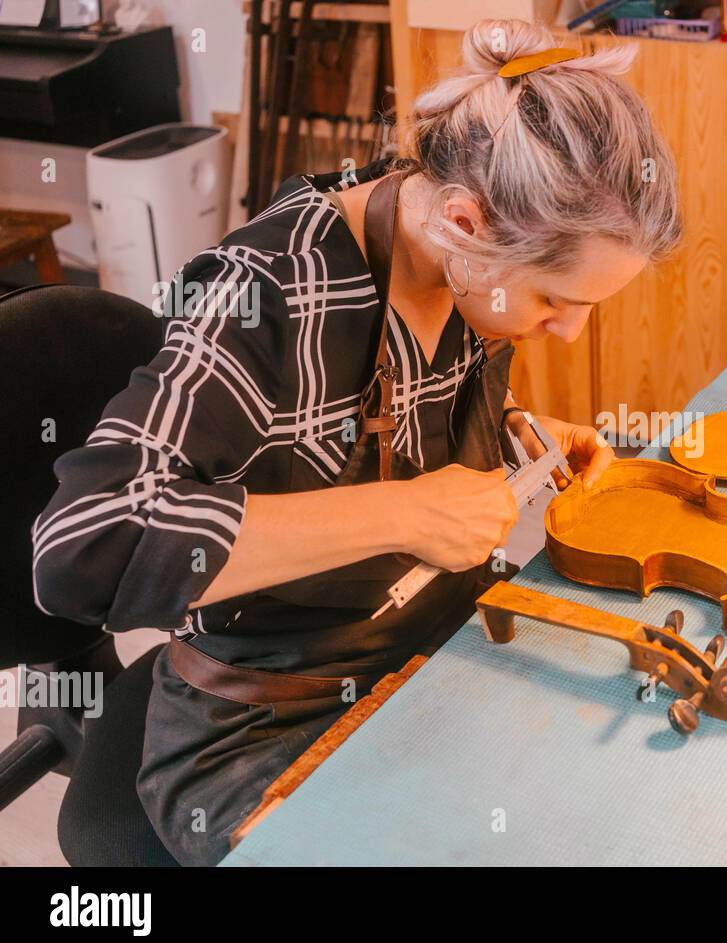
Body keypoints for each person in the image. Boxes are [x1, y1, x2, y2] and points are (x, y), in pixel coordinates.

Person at [31, 18, 681, 865]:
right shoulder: (265, 294)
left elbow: (366, 414)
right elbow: (84, 547)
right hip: (265, 717)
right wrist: (402, 513)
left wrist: (519, 430)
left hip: (438, 635)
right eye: (556, 299)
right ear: (467, 221)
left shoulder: (455, 249)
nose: (566, 332)